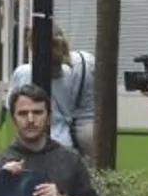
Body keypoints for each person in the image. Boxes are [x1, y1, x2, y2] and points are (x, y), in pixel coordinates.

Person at [7, 25, 97, 155]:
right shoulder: (74, 69)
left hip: (33, 145)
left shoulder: (23, 73)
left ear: (32, 46)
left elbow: (12, 108)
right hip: (65, 144)